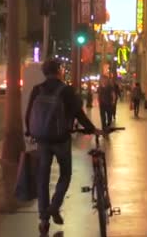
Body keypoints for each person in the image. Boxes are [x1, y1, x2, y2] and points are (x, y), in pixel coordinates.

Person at [25, 59, 99, 235]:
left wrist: (30, 132)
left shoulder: (37, 89)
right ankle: (55, 205)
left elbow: (29, 113)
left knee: (42, 178)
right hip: (60, 139)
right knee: (65, 173)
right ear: (58, 71)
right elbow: (78, 113)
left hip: (42, 139)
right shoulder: (66, 91)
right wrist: (90, 128)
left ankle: (44, 219)